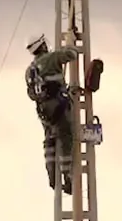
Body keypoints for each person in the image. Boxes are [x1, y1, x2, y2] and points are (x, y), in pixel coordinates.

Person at [23, 33, 80, 194]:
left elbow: (31, 93)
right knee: (65, 136)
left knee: (50, 139)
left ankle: (51, 175)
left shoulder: (30, 70)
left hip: (43, 111)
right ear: (42, 45)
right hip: (58, 106)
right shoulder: (51, 58)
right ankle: (67, 175)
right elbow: (72, 54)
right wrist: (70, 41)